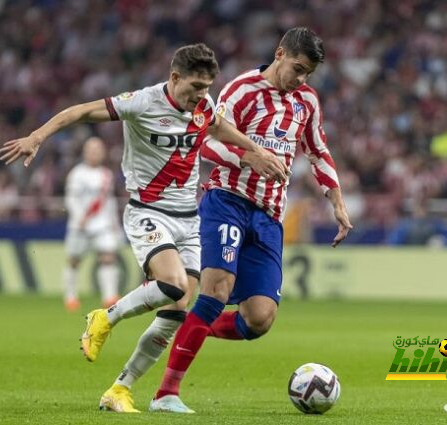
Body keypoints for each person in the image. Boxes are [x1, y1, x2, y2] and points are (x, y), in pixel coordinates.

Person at [0, 43, 287, 413]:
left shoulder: (203, 106)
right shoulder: (141, 102)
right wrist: (38, 136)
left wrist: (256, 152)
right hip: (148, 213)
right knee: (173, 285)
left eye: (206, 87)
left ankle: (120, 390)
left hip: (190, 219)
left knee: (178, 311)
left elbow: (220, 128)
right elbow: (81, 112)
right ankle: (105, 316)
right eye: (195, 87)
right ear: (174, 78)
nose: (201, 95)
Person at [150, 27, 353, 413]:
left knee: (259, 319)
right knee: (216, 291)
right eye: (297, 68)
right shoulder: (242, 90)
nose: (301, 79)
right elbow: (204, 139)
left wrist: (337, 202)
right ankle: (166, 394)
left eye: (308, 73)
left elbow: (319, 151)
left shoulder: (306, 100)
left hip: (269, 216)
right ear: (279, 54)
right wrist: (247, 156)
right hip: (228, 200)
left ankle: (193, 328)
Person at [63, 137, 122, 311]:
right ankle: (71, 296)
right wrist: (79, 217)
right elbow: (71, 199)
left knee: (108, 257)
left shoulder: (106, 174)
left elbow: (109, 202)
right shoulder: (77, 173)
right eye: (91, 150)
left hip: (102, 224)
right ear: (85, 152)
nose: (95, 153)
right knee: (74, 260)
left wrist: (114, 223)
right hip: (80, 225)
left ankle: (109, 296)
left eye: (98, 150)